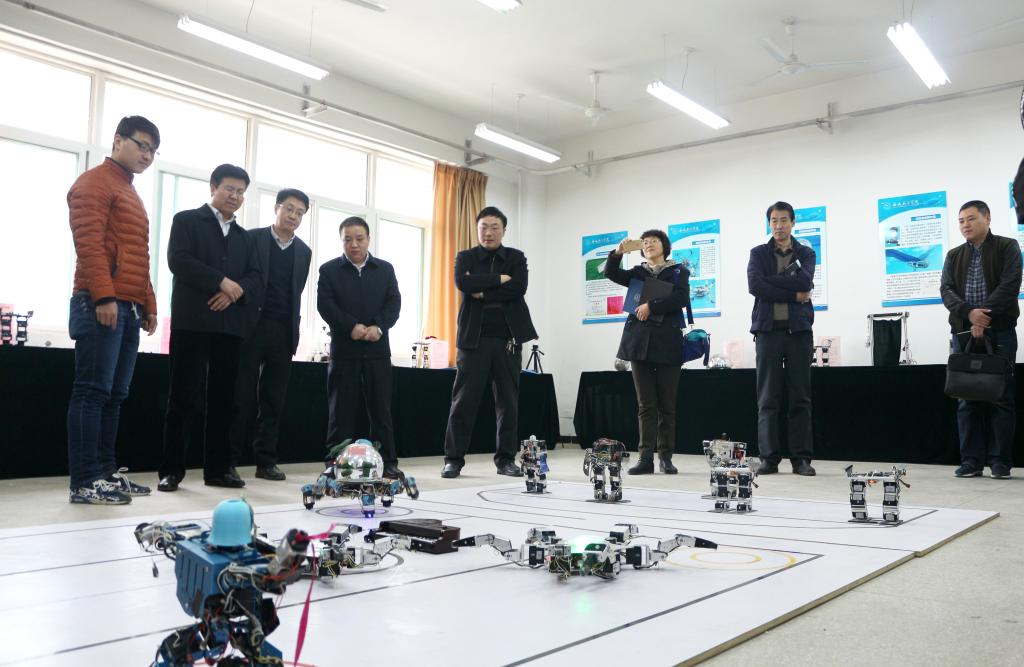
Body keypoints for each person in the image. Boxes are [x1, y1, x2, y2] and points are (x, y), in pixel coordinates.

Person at [66, 115, 161, 504]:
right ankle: (85, 480)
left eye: (153, 150)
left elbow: (138, 255)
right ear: (118, 140)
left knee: (115, 395)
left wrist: (148, 303)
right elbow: (88, 244)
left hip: (128, 307)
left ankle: (106, 473)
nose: (147, 155)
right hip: (99, 303)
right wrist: (103, 296)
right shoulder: (94, 183)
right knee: (92, 392)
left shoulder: (128, 190)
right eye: (142, 145)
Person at [157, 164, 262, 492]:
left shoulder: (245, 237)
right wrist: (220, 281)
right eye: (229, 188)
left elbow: (256, 277)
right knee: (183, 398)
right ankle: (171, 471)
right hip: (192, 323)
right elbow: (178, 260)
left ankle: (218, 470)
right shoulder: (187, 221)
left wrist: (234, 292)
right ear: (213, 187)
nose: (235, 196)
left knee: (224, 402)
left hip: (230, 328)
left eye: (241, 192)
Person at [441, 206, 538, 479]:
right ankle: (453, 460)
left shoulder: (516, 258)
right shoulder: (465, 257)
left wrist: (483, 290)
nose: (488, 232)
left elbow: (518, 287)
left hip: (508, 339)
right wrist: (498, 280)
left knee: (508, 403)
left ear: (504, 230)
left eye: (494, 227)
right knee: (463, 401)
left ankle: (506, 460)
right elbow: (463, 283)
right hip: (473, 340)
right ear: (477, 229)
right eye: (483, 227)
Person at [230, 188, 312, 481]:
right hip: (251, 327)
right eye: (289, 209)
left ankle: (266, 461)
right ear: (277, 208)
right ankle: (228, 461)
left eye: (299, 213)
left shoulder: (304, 252)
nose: (293, 216)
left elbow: (296, 292)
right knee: (240, 396)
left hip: (283, 331)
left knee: (273, 400)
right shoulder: (251, 238)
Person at [940, 200, 1021, 479]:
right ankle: (971, 461)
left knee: (1002, 397)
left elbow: (1010, 285)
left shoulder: (1007, 247)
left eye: (971, 218)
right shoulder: (953, 255)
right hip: (963, 333)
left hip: (1000, 331)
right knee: (966, 398)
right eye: (961, 221)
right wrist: (969, 314)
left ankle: (1000, 462)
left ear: (987, 219)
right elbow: (946, 290)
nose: (965, 225)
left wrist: (982, 316)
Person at [317, 216, 402, 478]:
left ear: (368, 239)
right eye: (347, 239)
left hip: (377, 351)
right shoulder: (329, 270)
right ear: (341, 241)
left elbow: (394, 303)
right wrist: (350, 326)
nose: (354, 244)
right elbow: (325, 305)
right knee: (340, 411)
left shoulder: (385, 269)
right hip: (345, 351)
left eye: (359, 238)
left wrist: (379, 327)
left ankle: (388, 462)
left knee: (381, 410)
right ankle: (335, 463)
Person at [603, 230, 690, 474]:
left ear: (665, 246)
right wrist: (617, 253)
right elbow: (611, 273)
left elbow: (681, 298)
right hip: (638, 342)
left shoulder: (678, 271)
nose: (649, 244)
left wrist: (651, 306)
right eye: (645, 242)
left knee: (667, 405)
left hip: (668, 342)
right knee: (645, 405)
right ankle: (645, 459)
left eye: (654, 241)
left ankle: (665, 458)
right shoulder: (637, 272)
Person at [747, 201, 817, 476]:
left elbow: (805, 283)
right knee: (767, 399)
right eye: (774, 221)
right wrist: (792, 293)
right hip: (768, 333)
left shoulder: (806, 252)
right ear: (769, 223)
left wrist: (771, 282)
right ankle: (769, 458)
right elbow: (755, 286)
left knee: (800, 398)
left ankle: (801, 459)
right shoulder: (758, 253)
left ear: (793, 222)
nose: (779, 226)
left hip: (798, 332)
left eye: (784, 220)